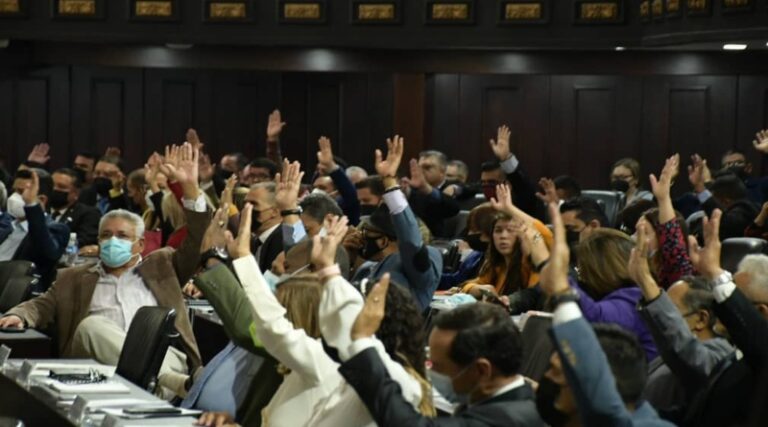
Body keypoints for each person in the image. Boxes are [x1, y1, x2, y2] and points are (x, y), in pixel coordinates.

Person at [0, 143, 208, 397]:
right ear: (98, 241)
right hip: (99, 371)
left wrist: (190, 189)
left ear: (140, 244)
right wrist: (19, 315)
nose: (113, 241)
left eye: (122, 236)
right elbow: (40, 305)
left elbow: (197, 238)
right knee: (92, 326)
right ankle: (161, 381)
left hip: (163, 358)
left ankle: (157, 380)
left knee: (151, 351)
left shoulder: (163, 267)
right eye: (106, 235)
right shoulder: (74, 278)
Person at [197, 209, 431, 427]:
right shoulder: (325, 359)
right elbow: (273, 326)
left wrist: (245, 259)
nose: (332, 312)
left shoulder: (399, 384)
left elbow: (273, 326)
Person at [538, 201, 674, 427]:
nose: (581, 275)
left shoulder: (634, 298)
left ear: (601, 268)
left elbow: (594, 318)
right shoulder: (625, 296)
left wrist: (554, 274)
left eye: (583, 269)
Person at [339, 300, 544, 426]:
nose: (429, 372)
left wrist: (362, 343)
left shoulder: (507, 419)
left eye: (438, 367)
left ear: (482, 370)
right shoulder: (514, 398)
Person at [628, 223, 733, 422]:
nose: (663, 313)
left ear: (701, 319)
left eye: (671, 309)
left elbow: (689, 356)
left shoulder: (720, 355)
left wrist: (647, 283)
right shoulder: (667, 351)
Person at [350, 136, 442, 311]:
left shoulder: (426, 258)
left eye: (367, 235)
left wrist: (390, 183)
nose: (362, 239)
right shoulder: (366, 267)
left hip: (395, 327)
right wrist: (347, 257)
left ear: (385, 240)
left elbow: (411, 243)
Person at [460, 184, 553, 300]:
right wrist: (479, 289)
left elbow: (545, 234)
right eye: (498, 231)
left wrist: (510, 208)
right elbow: (468, 285)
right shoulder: (496, 265)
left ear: (522, 235)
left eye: (510, 230)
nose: (503, 236)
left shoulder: (531, 265)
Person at [0, 169, 69, 291]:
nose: (13, 197)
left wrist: (31, 206)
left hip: (14, 292)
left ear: (41, 200)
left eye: (21, 192)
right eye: (14, 191)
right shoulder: (8, 226)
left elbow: (49, 253)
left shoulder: (55, 229)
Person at [637, 154, 695, 288]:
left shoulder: (678, 274)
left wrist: (663, 199)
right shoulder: (633, 266)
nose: (635, 238)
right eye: (636, 232)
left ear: (661, 237)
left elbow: (672, 244)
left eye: (645, 232)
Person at [479, 125, 541, 219]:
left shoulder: (525, 201)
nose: (486, 187)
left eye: (492, 182)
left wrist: (506, 158)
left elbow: (521, 183)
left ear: (508, 184)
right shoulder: (482, 210)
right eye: (483, 183)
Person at [438, 203, 496, 290]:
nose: (469, 234)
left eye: (474, 230)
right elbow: (456, 280)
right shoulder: (474, 256)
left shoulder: (498, 262)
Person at [404, 149, 460, 238]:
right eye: (420, 167)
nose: (421, 171)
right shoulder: (412, 189)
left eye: (427, 167)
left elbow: (453, 207)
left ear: (442, 171)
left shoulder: (455, 185)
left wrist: (427, 188)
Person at [313, 136, 361, 226]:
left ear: (337, 192)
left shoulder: (343, 209)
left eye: (322, 188)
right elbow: (293, 235)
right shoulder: (306, 211)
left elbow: (351, 196)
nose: (316, 191)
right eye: (314, 187)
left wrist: (331, 167)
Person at [49, 167, 101, 248]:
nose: (54, 189)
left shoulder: (88, 214)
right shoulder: (39, 209)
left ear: (76, 193)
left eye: (61, 187)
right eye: (51, 185)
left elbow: (83, 241)